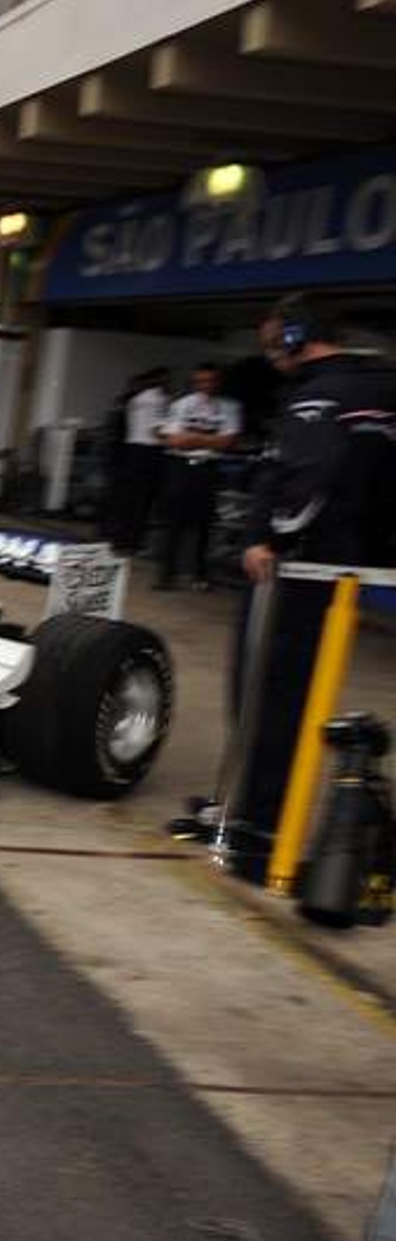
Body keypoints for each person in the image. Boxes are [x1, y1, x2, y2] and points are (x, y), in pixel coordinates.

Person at [224, 294, 396, 870]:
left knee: (268, 694)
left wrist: (273, 539)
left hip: (298, 571)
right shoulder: (369, 386)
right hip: (332, 565)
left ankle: (260, 826)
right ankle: (257, 813)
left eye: (275, 340)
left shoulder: (325, 391)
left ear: (297, 336)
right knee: (282, 697)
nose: (271, 353)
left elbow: (310, 473)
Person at [155, 362, 241, 591]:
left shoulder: (229, 407)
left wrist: (192, 439)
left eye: (210, 381)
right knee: (174, 523)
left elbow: (228, 442)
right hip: (181, 467)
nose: (206, 386)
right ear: (194, 382)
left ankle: (200, 575)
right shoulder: (181, 405)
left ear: (218, 381)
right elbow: (173, 440)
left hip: (209, 468)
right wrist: (209, 440)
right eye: (201, 381)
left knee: (204, 524)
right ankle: (166, 575)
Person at [112, 368, 171, 555]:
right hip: (149, 452)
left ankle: (120, 540)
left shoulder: (135, 400)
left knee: (128, 499)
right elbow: (158, 430)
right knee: (143, 502)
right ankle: (134, 542)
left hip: (132, 451)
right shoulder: (159, 400)